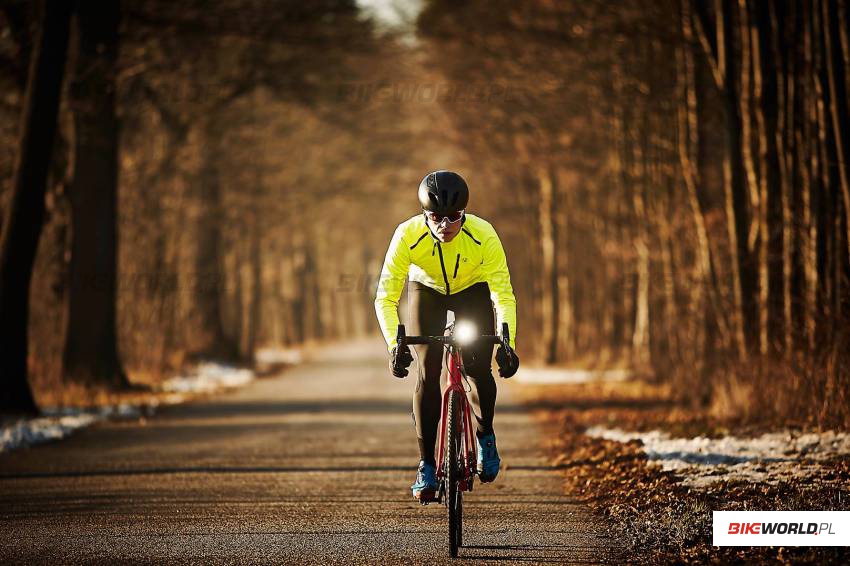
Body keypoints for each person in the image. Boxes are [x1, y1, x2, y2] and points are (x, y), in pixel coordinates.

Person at [374, 170, 520, 501]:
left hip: (473, 290)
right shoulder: (406, 235)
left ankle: (486, 437)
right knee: (427, 373)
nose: (445, 225)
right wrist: (394, 345)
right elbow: (386, 296)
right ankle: (426, 464)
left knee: (479, 367)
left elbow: (502, 294)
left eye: (453, 217)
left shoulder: (484, 235)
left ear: (464, 214)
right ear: (425, 215)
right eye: (436, 217)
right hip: (427, 291)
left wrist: (508, 342)